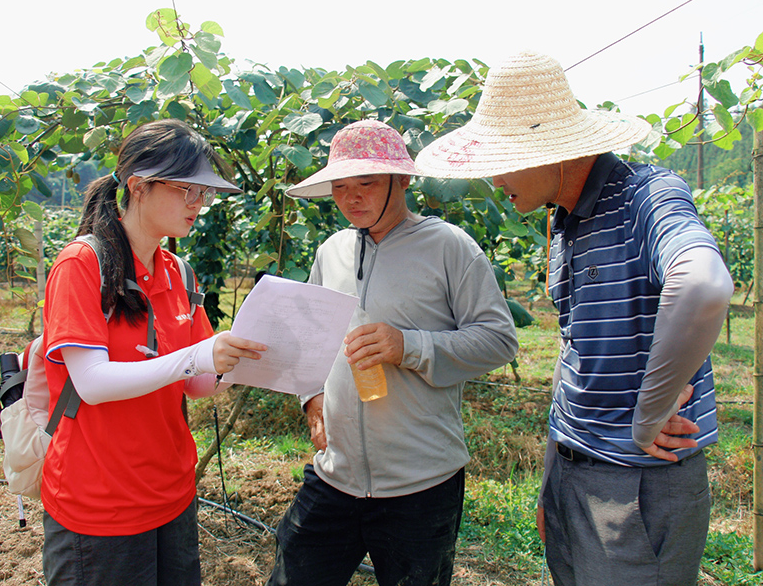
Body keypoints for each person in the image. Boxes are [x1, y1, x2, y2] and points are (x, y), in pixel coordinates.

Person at [416, 51, 735, 586]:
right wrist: (552, 481)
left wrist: (650, 412)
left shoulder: (644, 196)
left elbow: (703, 284)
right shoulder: (565, 222)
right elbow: (574, 351)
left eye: (502, 159)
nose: (495, 179)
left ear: (547, 151)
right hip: (574, 468)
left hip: (635, 487)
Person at [266, 120, 518, 586]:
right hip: (335, 474)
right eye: (340, 186)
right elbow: (313, 339)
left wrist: (410, 345)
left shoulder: (449, 248)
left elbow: (499, 339)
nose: (351, 197)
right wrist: (311, 398)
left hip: (420, 485)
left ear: (402, 181)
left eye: (367, 182)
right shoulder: (333, 250)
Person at [41, 119, 267, 586]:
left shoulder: (178, 273)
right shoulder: (82, 265)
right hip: (100, 503)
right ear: (139, 186)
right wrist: (199, 357)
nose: (199, 206)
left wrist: (244, 356)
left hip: (173, 494)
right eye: (189, 191)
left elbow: (199, 386)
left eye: (205, 194)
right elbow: (93, 383)